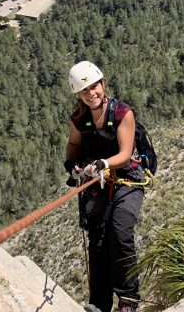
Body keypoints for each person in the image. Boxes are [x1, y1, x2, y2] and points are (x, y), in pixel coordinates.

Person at [65, 60, 144, 312]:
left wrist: (103, 163)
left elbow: (125, 154)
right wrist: (74, 165)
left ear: (102, 84)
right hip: (97, 184)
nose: (91, 94)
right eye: (84, 91)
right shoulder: (79, 119)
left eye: (94, 86)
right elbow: (74, 145)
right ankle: (99, 304)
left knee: (120, 230)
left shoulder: (121, 113)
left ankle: (128, 300)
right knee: (97, 241)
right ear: (78, 95)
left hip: (127, 180)